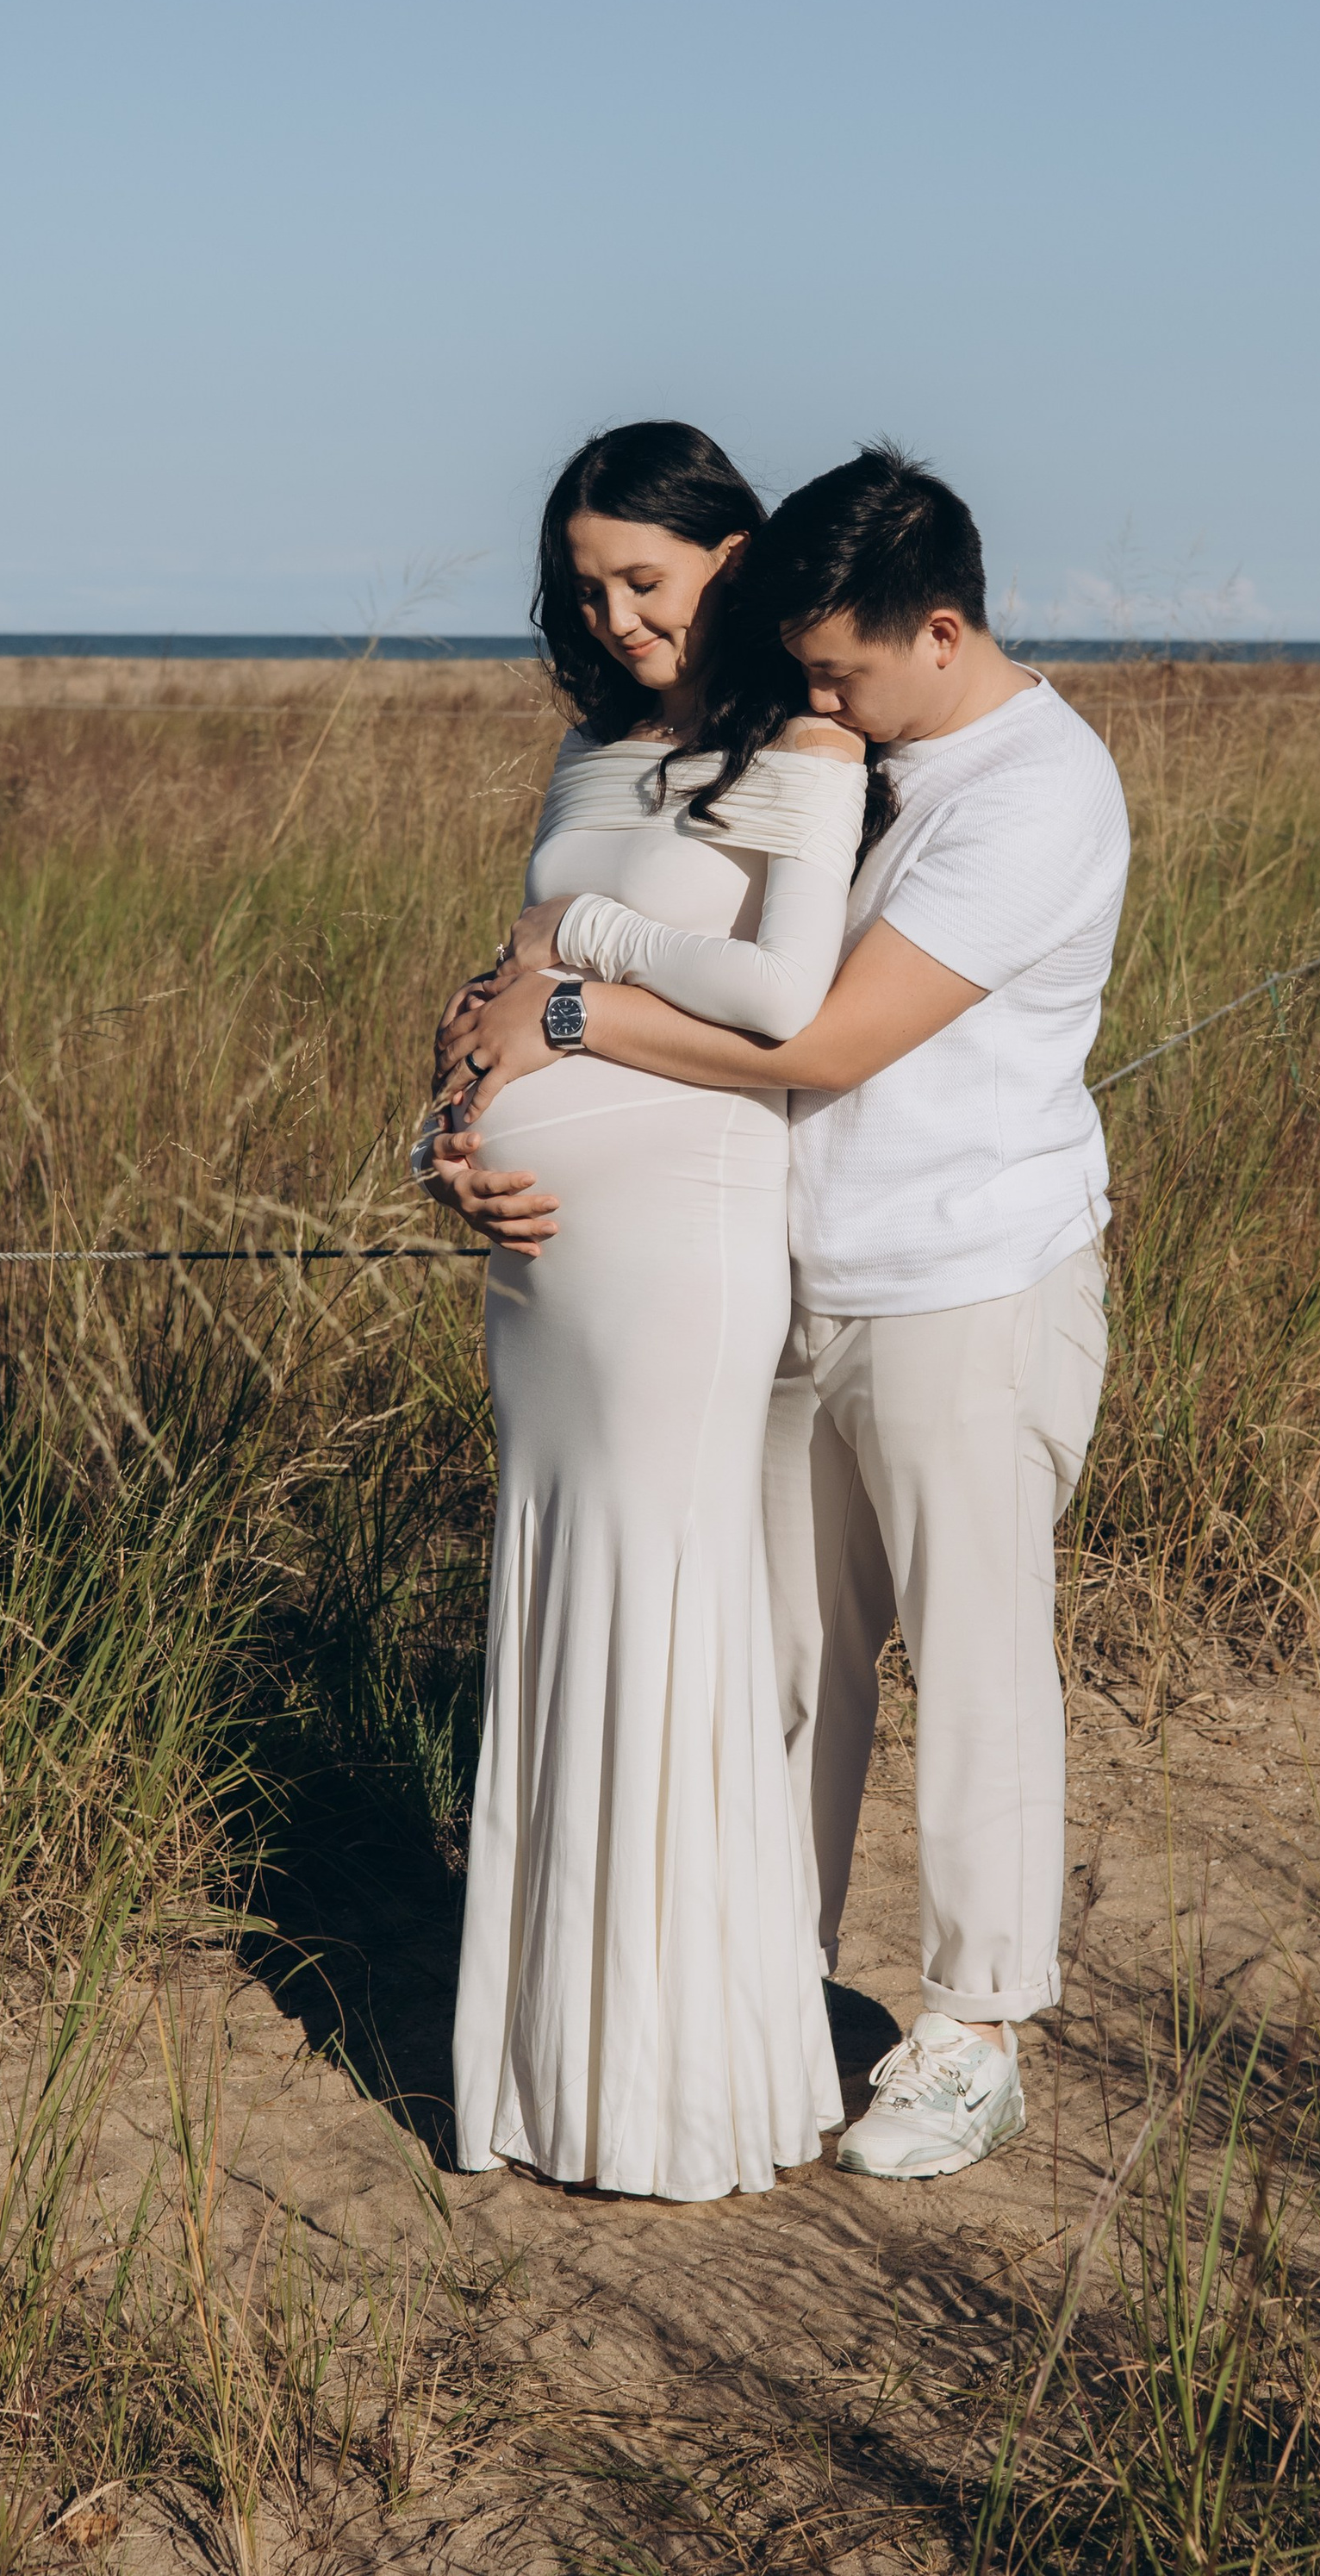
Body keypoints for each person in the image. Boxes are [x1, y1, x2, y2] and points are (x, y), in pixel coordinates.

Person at [440, 446, 1130, 2181]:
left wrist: (573, 1019)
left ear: (943, 628)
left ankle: (972, 2027)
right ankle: (773, 1987)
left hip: (960, 1274)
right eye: (807, 663)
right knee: (787, 1669)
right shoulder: (853, 745)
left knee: (974, 1663)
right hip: (789, 1278)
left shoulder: (1029, 790)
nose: (822, 695)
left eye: (844, 668)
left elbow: (813, 1039)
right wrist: (474, 1094)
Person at [420, 421, 871, 2201]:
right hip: (537, 1263)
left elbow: (780, 988)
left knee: (668, 1603)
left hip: (684, 1239)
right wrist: (440, 1147)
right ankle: (554, 2068)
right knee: (557, 1596)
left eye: (648, 579)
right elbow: (492, 996)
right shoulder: (585, 750)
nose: (614, 617)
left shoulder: (804, 749)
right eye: (587, 583)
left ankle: (683, 2078)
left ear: (734, 562)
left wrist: (593, 933)